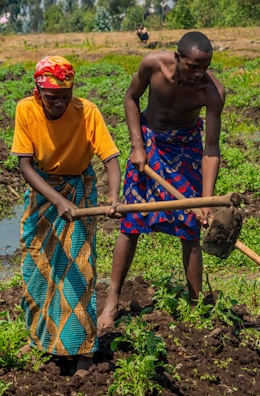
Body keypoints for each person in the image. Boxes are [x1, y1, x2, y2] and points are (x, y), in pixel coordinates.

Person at [98, 31, 225, 329]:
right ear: (177, 57)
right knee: (130, 223)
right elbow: (131, 98)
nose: (199, 74)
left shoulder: (212, 92)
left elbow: (210, 148)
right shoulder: (152, 65)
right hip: (150, 143)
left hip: (186, 148)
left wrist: (205, 201)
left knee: (190, 227)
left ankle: (195, 305)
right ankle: (112, 301)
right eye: (193, 66)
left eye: (205, 67)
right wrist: (137, 146)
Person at [11, 56, 121, 376]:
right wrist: (57, 200)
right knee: (36, 267)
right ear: (37, 92)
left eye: (65, 96)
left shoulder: (87, 112)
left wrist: (113, 196)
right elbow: (25, 166)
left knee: (78, 267)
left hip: (80, 191)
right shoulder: (26, 110)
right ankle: (39, 341)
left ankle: (83, 351)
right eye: (52, 97)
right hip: (44, 192)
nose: (59, 103)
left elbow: (110, 158)